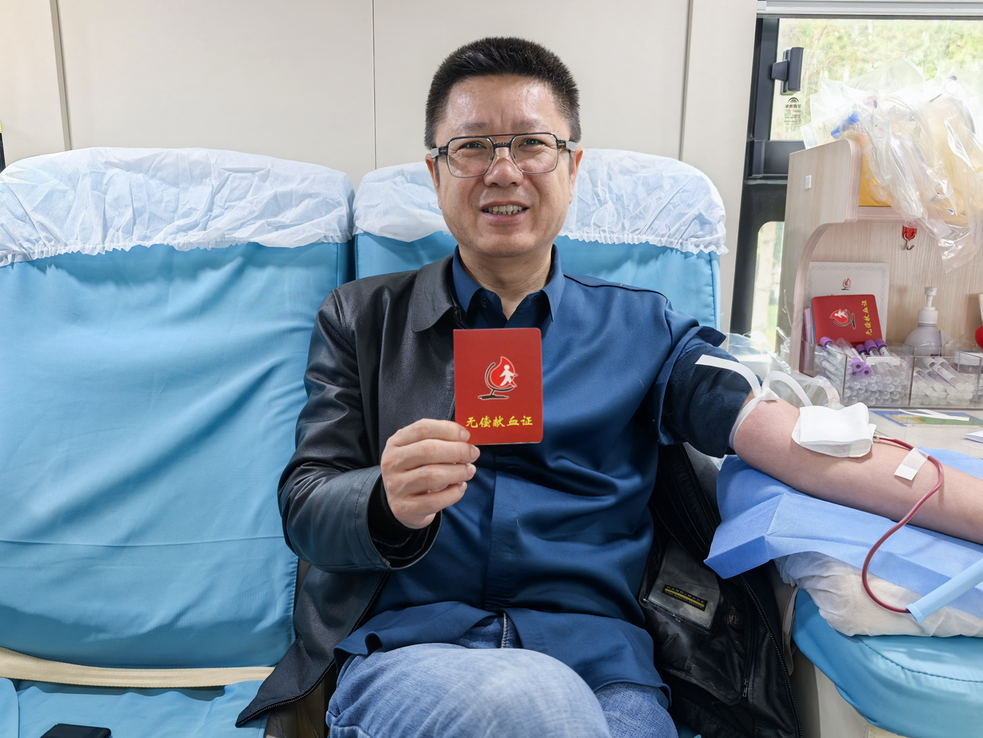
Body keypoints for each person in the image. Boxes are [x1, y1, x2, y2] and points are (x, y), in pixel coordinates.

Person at [238, 37, 983, 737]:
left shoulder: (645, 331)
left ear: (571, 166)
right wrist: (383, 499)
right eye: (472, 147)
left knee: (562, 707)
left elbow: (790, 436)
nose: (503, 171)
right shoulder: (362, 320)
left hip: (606, 673)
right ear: (436, 173)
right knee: (530, 700)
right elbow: (305, 506)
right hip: (411, 656)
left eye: (531, 144)